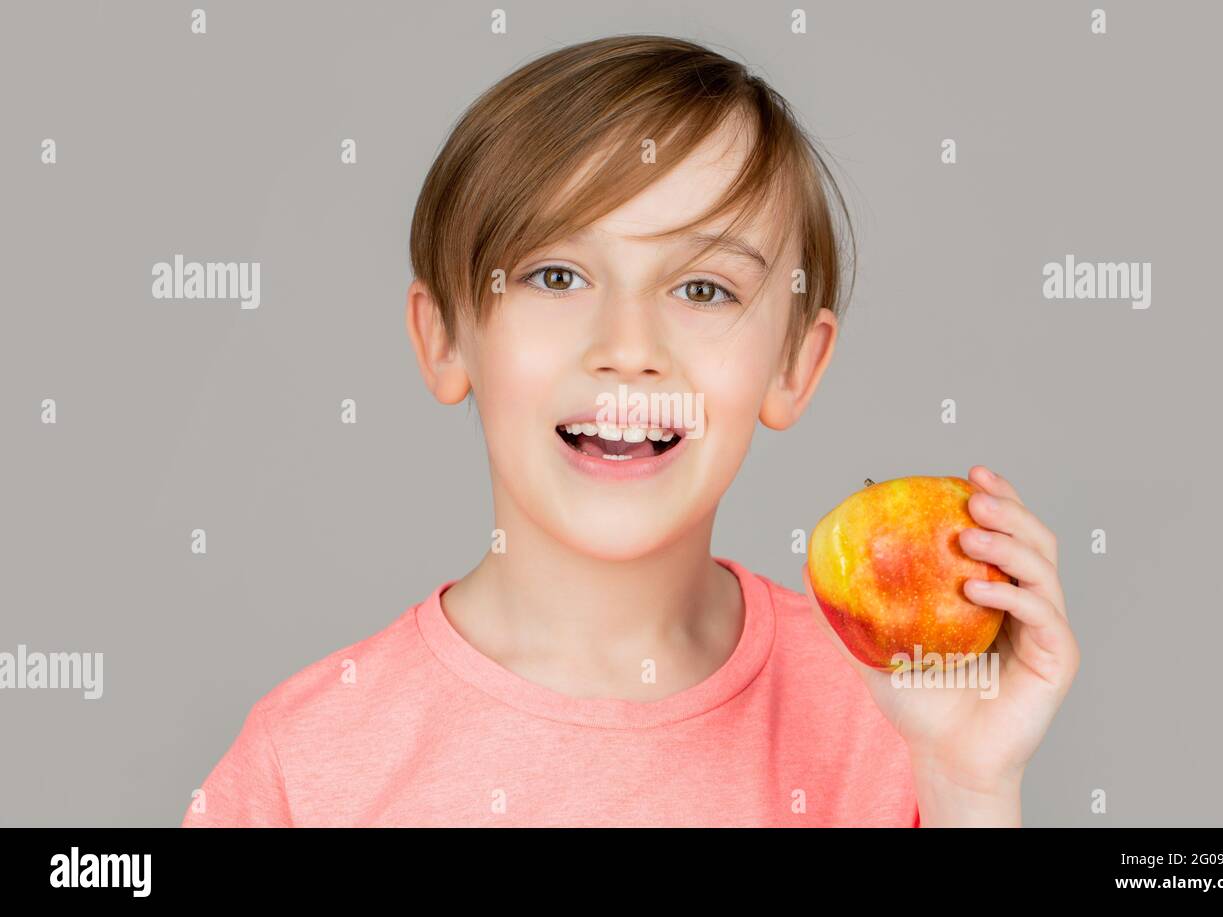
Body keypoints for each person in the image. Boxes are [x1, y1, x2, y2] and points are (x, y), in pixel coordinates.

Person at [182, 34, 1079, 828]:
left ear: (794, 365)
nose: (628, 349)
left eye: (703, 290)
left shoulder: (896, 719)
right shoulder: (306, 761)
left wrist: (970, 789)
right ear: (445, 336)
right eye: (557, 277)